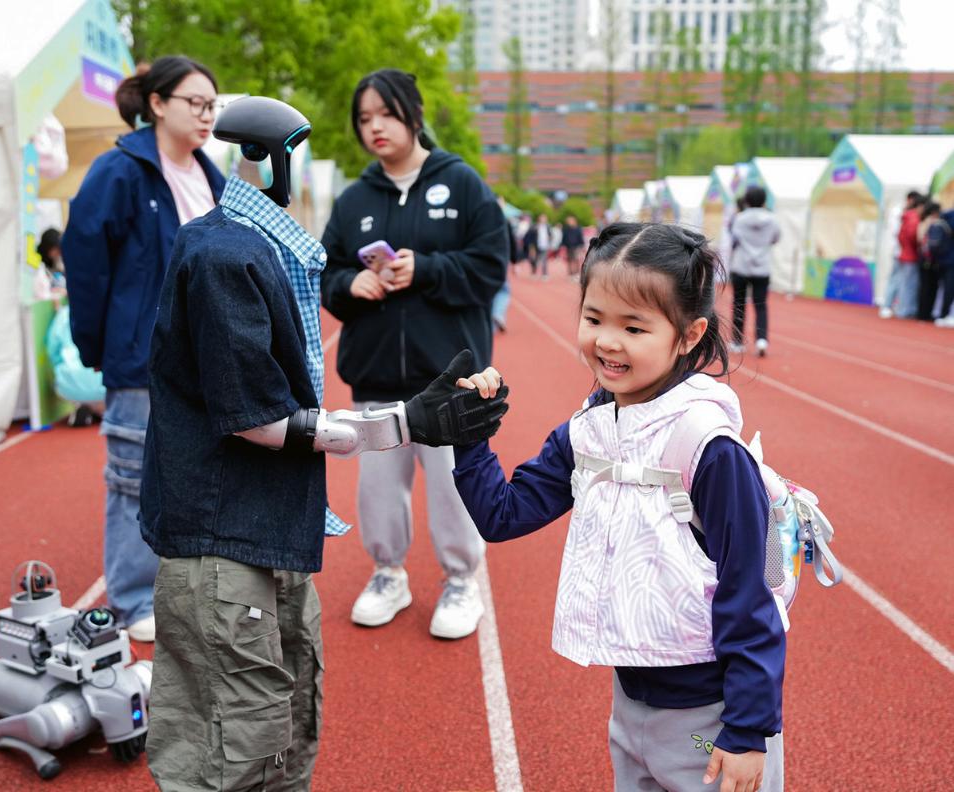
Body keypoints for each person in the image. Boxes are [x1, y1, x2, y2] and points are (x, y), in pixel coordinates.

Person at [140, 96, 508, 791]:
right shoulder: (226, 254)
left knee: (283, 725)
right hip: (224, 533)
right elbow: (256, 418)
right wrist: (401, 424)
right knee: (236, 746)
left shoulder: (254, 244)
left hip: (266, 525)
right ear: (272, 160)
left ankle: (450, 578)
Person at [452, 222, 785, 792]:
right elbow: (502, 515)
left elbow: (749, 593)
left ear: (689, 334)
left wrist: (748, 731)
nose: (607, 341)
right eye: (594, 319)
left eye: (633, 327)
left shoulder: (711, 450)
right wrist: (468, 437)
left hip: (711, 719)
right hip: (630, 705)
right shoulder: (590, 428)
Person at [320, 69, 508, 640]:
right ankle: (388, 574)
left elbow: (490, 268)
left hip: (449, 379)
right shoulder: (353, 200)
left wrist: (425, 269)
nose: (374, 127)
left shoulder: (463, 184)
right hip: (377, 375)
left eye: (386, 114)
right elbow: (324, 273)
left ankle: (461, 580)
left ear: (414, 114)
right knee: (378, 491)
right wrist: (350, 284)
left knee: (453, 487)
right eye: (364, 119)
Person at [61, 56, 226, 642]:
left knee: (201, 474)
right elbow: (85, 262)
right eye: (195, 103)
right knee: (133, 477)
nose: (206, 116)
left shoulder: (213, 177)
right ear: (157, 104)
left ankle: (188, 589)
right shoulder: (120, 171)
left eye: (212, 106)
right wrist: (99, 346)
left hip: (208, 358)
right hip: (142, 358)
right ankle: (132, 600)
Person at [728, 185, 780, 357]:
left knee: (739, 304)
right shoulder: (772, 219)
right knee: (761, 305)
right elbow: (776, 238)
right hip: (762, 267)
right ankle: (761, 340)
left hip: (741, 265)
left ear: (747, 200)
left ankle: (737, 342)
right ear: (764, 200)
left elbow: (734, 238)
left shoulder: (739, 218)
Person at [879, 190, 925, 319]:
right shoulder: (907, 215)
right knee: (903, 282)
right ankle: (898, 308)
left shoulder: (904, 214)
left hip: (901, 252)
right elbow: (906, 235)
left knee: (899, 280)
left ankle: (893, 306)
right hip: (905, 253)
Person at [491, 196, 517, 333]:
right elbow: (512, 242)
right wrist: (514, 260)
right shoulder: (504, 221)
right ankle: (498, 314)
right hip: (500, 259)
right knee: (503, 289)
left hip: (489, 258)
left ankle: (495, 315)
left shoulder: (482, 219)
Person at [916, 201, 942, 321]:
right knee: (929, 287)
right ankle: (925, 313)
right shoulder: (932, 223)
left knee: (925, 287)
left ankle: (923, 313)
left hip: (924, 259)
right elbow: (921, 239)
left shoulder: (923, 222)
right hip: (930, 259)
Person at [524, 213, 552, 279]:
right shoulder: (534, 226)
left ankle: (544, 273)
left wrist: (549, 239)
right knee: (534, 259)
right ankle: (534, 272)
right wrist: (531, 246)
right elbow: (529, 236)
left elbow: (550, 235)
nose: (543, 219)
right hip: (535, 246)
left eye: (544, 218)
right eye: (542, 218)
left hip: (544, 246)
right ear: (539, 219)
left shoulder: (548, 227)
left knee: (544, 260)